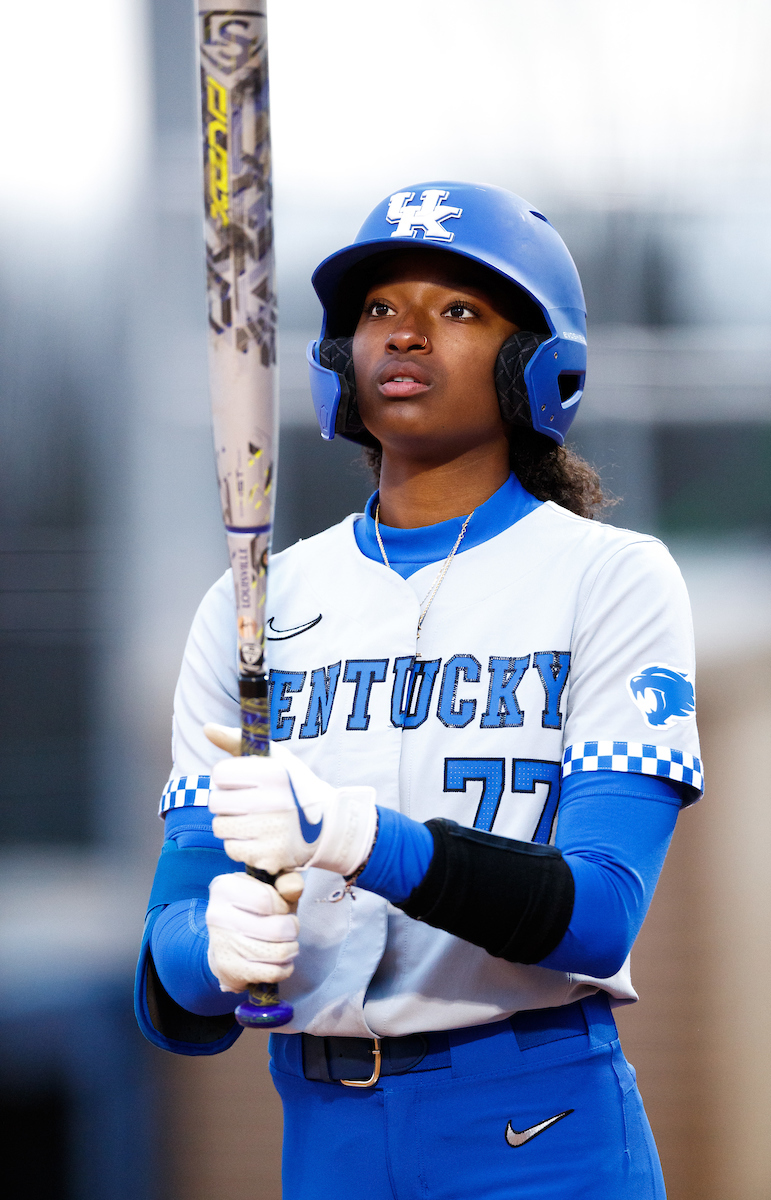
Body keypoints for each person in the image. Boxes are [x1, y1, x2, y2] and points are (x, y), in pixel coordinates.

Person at [135, 182, 703, 1199]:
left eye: (456, 311)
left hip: (538, 1127)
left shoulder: (609, 578)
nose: (404, 335)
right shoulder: (253, 603)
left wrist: (352, 835)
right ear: (339, 361)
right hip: (321, 1137)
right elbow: (171, 973)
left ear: (534, 362)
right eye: (378, 310)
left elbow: (599, 910)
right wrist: (212, 946)